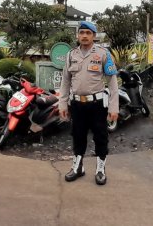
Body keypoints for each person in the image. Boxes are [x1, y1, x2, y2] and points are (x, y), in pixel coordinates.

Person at [59, 21, 119, 185]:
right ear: (78, 35)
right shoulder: (71, 55)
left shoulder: (103, 54)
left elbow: (113, 82)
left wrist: (114, 107)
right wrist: (62, 104)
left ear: (94, 36)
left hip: (97, 105)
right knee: (77, 136)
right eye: (82, 32)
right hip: (77, 105)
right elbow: (65, 81)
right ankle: (78, 167)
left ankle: (100, 168)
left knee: (101, 137)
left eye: (88, 33)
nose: (84, 36)